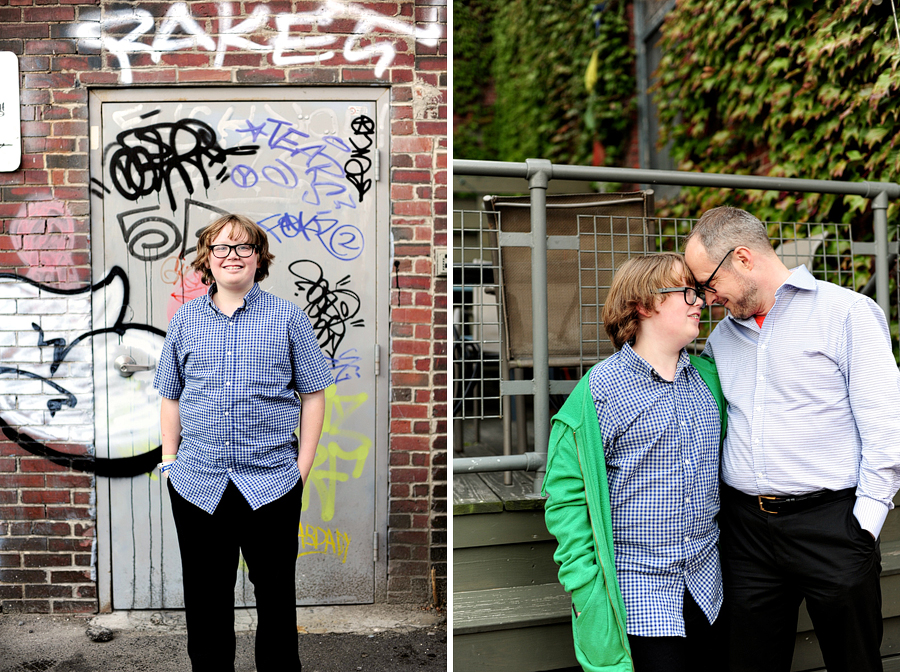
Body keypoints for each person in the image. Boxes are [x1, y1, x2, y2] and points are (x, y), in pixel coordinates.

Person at [684, 205, 900, 672]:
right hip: (746, 536)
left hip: (833, 525)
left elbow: (888, 429)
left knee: (855, 664)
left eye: (707, 282)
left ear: (742, 258)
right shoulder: (721, 338)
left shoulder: (848, 314)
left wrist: (862, 526)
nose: (706, 297)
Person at [153, 213, 334, 672]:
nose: (231, 257)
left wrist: (302, 468)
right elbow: (170, 397)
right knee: (205, 594)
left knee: (275, 593)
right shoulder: (184, 321)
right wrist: (170, 463)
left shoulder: (288, 318)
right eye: (221, 249)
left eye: (242, 248)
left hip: (272, 481)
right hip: (197, 482)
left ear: (259, 258)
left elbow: (313, 395)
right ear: (206, 260)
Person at [543, 253, 727, 672]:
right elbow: (565, 500)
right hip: (639, 595)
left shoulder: (709, 381)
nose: (700, 301)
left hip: (709, 589)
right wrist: (586, 587)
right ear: (643, 304)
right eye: (686, 292)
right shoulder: (596, 395)